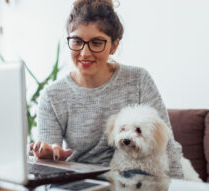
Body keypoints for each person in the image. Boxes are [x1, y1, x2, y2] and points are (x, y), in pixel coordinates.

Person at [31, 0, 183, 178]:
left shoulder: (138, 80)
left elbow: (168, 146)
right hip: (81, 186)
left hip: (135, 185)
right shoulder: (52, 96)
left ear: (114, 45)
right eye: (77, 41)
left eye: (96, 43)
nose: (84, 53)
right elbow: (49, 169)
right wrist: (48, 157)